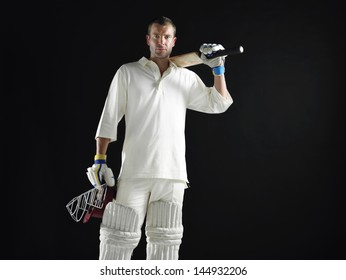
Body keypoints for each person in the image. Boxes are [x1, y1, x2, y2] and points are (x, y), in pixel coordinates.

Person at [86, 16, 233, 260]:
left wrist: (218, 69)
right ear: (148, 40)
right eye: (156, 36)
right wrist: (99, 159)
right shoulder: (128, 72)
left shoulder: (185, 78)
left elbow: (219, 103)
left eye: (166, 37)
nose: (161, 41)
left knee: (165, 244)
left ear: (174, 41)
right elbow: (109, 117)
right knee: (117, 240)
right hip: (134, 172)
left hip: (173, 176)